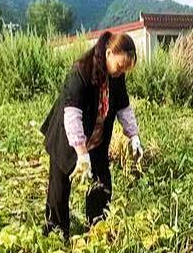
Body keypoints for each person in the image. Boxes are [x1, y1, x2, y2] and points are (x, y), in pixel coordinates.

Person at [41, 31, 143, 238]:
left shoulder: (116, 76)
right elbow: (72, 114)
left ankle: (97, 229)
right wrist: (81, 153)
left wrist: (134, 135)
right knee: (59, 188)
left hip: (96, 139)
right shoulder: (81, 70)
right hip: (67, 137)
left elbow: (123, 107)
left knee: (101, 184)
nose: (121, 72)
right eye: (120, 66)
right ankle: (56, 234)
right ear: (108, 53)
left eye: (125, 69)